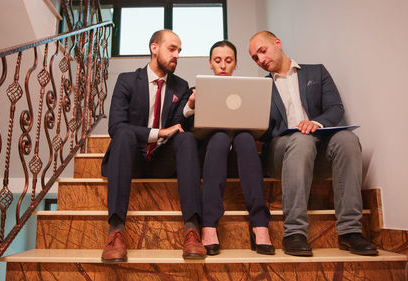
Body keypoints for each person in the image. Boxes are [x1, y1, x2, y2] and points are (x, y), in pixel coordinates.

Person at [248, 31, 378, 256]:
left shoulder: (317, 72)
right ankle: (294, 233)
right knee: (301, 141)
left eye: (262, 51)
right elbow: (263, 133)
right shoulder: (262, 87)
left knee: (348, 139)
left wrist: (315, 123)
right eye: (255, 58)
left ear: (277, 43)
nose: (260, 60)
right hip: (282, 153)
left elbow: (335, 108)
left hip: (319, 147)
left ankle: (350, 232)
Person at [100, 30, 206, 262]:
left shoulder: (181, 85)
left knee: (186, 137)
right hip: (131, 159)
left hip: (162, 161)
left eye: (179, 50)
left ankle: (192, 229)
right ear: (154, 48)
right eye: (172, 49)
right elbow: (115, 127)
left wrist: (188, 106)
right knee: (124, 133)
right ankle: (116, 230)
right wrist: (157, 133)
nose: (177, 55)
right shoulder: (127, 80)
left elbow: (179, 121)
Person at [184, 41, 274, 255]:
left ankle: (260, 225)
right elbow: (185, 128)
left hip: (244, 157)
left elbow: (262, 126)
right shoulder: (196, 90)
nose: (223, 65)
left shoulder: (249, 92)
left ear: (235, 64)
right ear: (210, 64)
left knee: (244, 138)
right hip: (211, 157)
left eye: (228, 60)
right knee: (220, 137)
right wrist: (191, 106)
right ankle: (209, 224)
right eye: (217, 61)